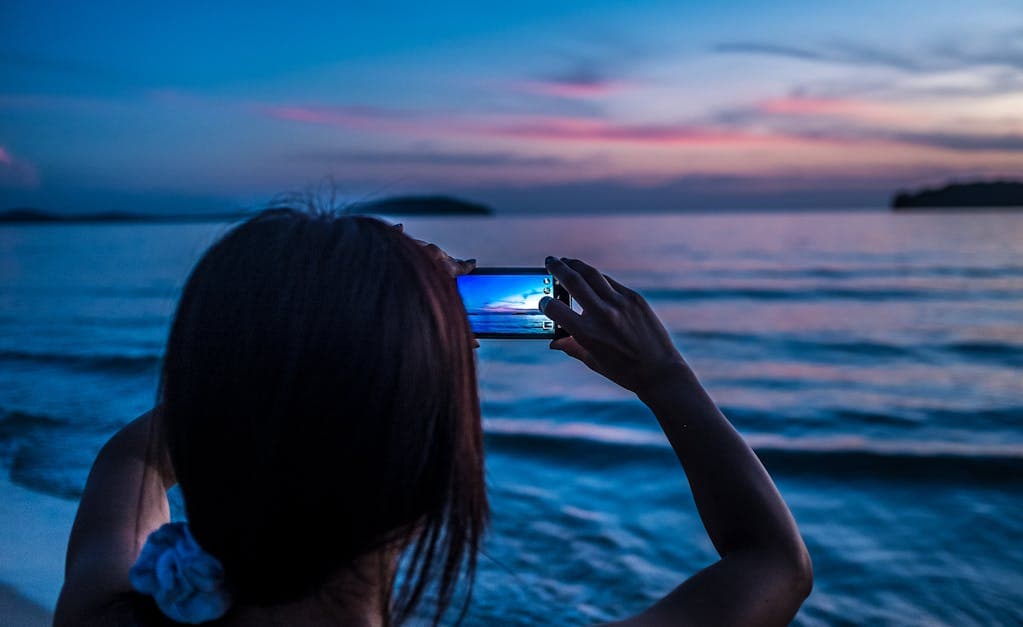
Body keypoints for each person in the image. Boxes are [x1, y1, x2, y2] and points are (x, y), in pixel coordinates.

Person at [54, 207, 812, 626]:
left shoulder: (105, 614)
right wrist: (667, 377)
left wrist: (318, 341)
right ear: (430, 474)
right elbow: (773, 563)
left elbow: (134, 454)